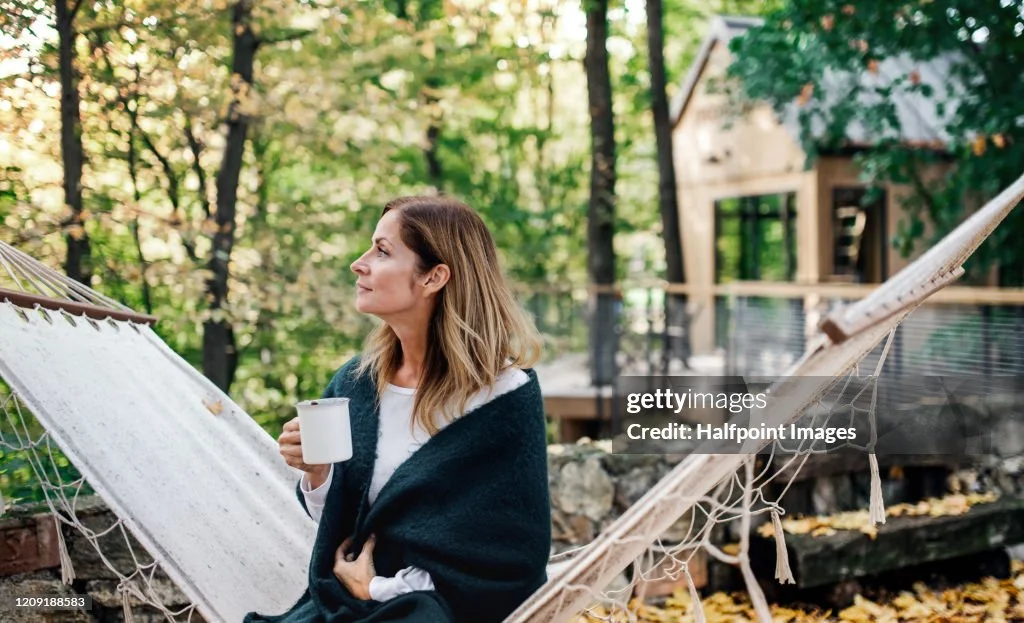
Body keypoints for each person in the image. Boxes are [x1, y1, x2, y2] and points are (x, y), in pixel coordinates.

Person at [244, 196, 551, 623]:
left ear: (434, 277)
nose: (359, 263)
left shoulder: (502, 396)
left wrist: (377, 589)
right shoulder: (355, 384)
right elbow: (345, 528)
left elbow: (510, 565)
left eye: (382, 251)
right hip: (347, 605)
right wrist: (317, 474)